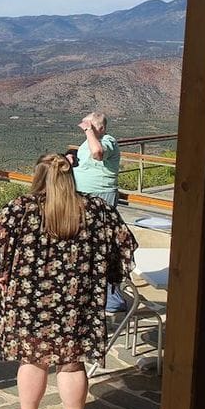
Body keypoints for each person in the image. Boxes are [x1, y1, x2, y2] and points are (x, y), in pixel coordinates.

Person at [0, 154, 136, 409]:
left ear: (38, 177)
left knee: (32, 359)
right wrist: (109, 275)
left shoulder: (20, 208)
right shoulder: (97, 209)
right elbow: (125, 245)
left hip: (29, 301)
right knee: (72, 362)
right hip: (79, 300)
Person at [70, 111, 123, 311]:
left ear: (99, 128)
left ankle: (110, 298)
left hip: (101, 197)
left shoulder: (107, 140)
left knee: (101, 246)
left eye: (90, 127)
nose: (85, 130)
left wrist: (88, 131)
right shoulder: (90, 142)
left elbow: (98, 154)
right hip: (86, 197)